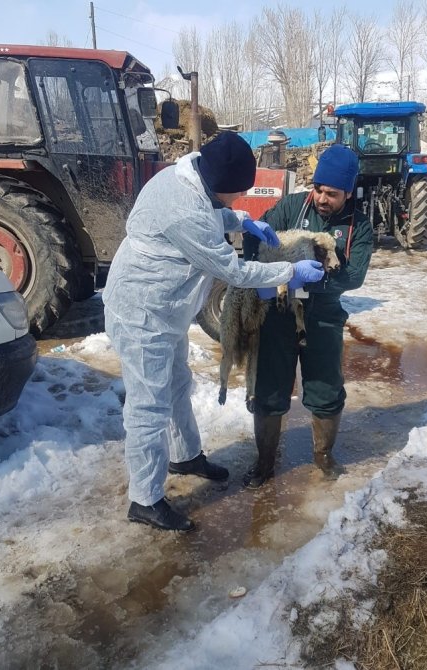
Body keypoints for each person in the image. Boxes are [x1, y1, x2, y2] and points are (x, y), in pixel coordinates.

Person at [103, 132, 324, 532]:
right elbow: (233, 271)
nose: (238, 199)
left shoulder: (187, 177)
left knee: (176, 385)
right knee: (148, 408)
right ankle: (145, 499)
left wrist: (242, 221)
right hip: (142, 313)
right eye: (236, 194)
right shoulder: (184, 209)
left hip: (164, 310)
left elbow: (211, 213)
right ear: (218, 182)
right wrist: (290, 272)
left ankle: (185, 456)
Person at [242, 144, 373, 488]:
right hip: (281, 312)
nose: (322, 198)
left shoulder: (357, 225)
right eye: (318, 188)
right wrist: (272, 265)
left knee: (326, 389)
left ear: (348, 191)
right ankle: (265, 461)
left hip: (324, 316)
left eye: (331, 193)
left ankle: (324, 456)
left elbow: (355, 274)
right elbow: (257, 242)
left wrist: (321, 279)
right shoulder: (291, 206)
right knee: (269, 388)